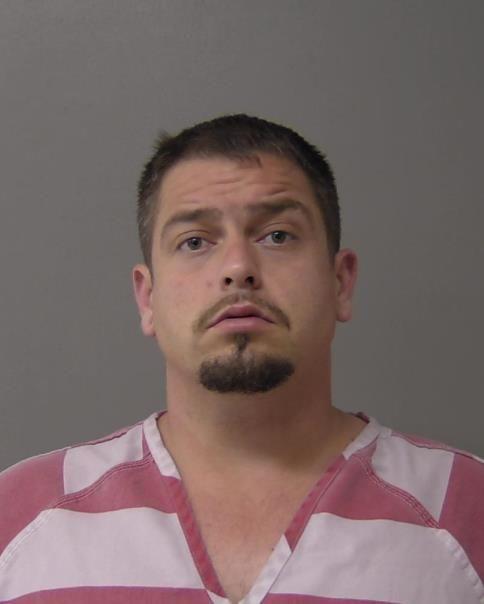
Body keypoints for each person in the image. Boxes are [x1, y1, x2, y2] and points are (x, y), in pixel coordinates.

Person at [0, 114, 483, 604]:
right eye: (195, 242)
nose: (237, 268)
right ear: (147, 298)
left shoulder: (469, 509)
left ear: (341, 282)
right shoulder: (17, 519)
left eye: (277, 235)